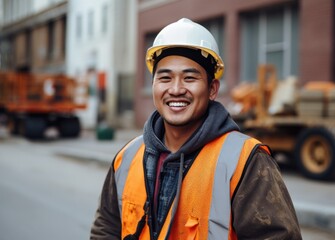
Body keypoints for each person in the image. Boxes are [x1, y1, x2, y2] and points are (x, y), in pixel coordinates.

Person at [90, 18, 302, 240]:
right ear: (153, 86)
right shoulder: (127, 158)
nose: (176, 89)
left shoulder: (245, 161)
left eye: (189, 78)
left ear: (212, 89)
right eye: (165, 78)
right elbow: (105, 229)